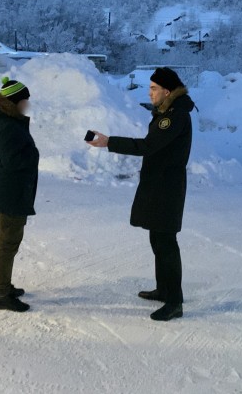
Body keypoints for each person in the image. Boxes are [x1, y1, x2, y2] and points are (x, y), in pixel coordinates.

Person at [87, 67, 194, 321]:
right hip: (159, 183)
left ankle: (174, 301)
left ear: (167, 91)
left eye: (154, 88)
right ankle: (164, 289)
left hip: (167, 187)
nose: (150, 92)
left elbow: (148, 146)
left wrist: (109, 142)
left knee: (166, 243)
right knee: (157, 239)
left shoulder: (174, 116)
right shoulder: (167, 111)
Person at [0, 77, 40, 313]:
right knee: (8, 242)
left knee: (3, 238)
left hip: (6, 189)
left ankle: (0, 286)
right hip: (11, 191)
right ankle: (3, 294)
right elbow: (12, 160)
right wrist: (34, 154)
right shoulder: (7, 125)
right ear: (14, 102)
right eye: (25, 100)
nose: (27, 104)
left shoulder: (3, 119)